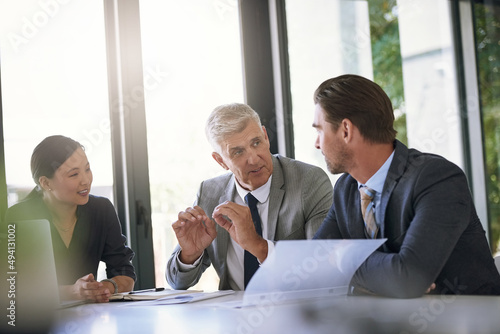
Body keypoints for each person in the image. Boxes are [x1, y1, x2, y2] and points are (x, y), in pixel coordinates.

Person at [312, 74, 500, 298]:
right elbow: (315, 262)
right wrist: (388, 275)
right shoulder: (346, 189)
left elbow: (410, 278)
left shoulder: (437, 178)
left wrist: (345, 257)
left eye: (319, 130)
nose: (316, 143)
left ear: (346, 130)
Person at [166, 103, 333, 290]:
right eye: (237, 152)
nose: (253, 159)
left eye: (256, 143)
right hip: (234, 315)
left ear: (266, 136)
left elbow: (323, 269)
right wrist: (190, 254)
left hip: (295, 311)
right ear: (220, 161)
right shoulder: (210, 192)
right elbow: (177, 282)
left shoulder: (308, 181)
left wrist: (258, 246)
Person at [5, 135, 136, 303]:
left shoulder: (101, 209)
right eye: (74, 174)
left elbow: (124, 272)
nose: (86, 180)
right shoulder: (20, 216)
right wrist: (72, 292)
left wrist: (102, 288)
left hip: (88, 319)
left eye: (87, 169)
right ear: (46, 183)